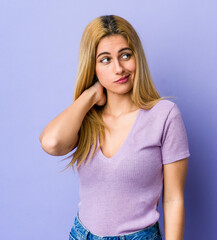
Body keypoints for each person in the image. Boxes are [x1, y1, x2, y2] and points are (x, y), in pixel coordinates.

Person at [39, 15, 190, 240]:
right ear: (93, 67)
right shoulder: (86, 118)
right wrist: (90, 96)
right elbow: (51, 143)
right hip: (83, 235)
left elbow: (173, 199)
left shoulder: (164, 115)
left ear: (137, 57)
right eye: (105, 60)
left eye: (125, 55)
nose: (119, 68)